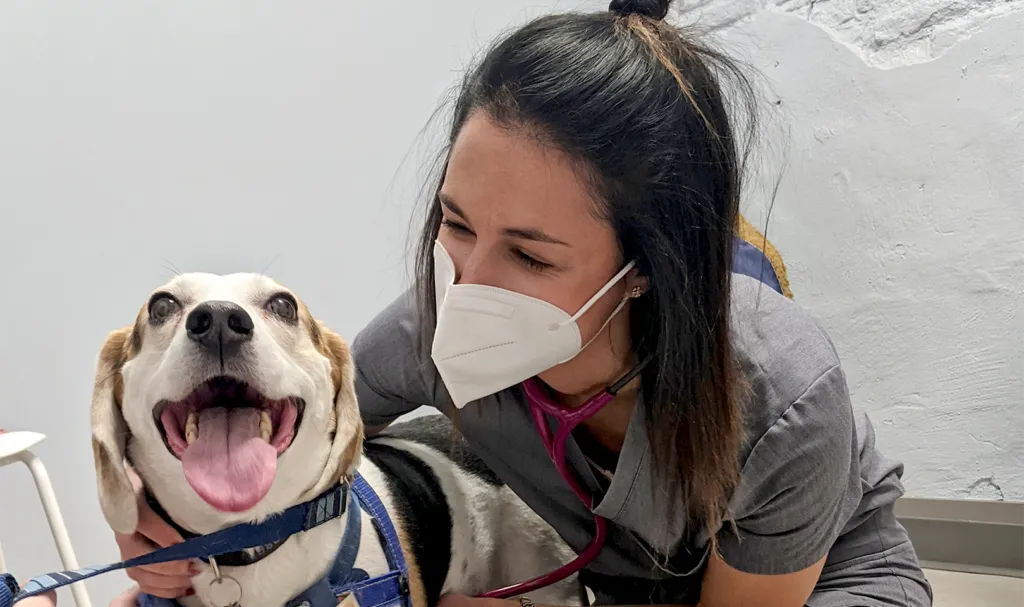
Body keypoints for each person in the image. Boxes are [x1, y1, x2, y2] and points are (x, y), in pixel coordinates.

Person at [113, 1, 932, 606]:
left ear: (648, 265)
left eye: (531, 254)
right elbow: (305, 429)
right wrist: (157, 518)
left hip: (831, 585)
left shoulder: (787, 400)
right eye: (457, 225)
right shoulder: (427, 330)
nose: (468, 280)